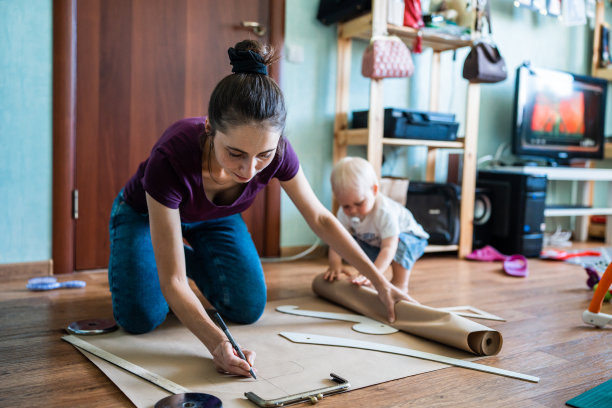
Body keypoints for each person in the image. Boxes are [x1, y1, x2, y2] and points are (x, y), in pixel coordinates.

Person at [108, 40, 411, 379]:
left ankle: (173, 252)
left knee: (247, 307)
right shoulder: (172, 154)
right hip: (144, 215)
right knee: (142, 319)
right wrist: (217, 343)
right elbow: (174, 280)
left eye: (263, 156)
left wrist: (378, 279)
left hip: (213, 217)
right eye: (235, 153)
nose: (249, 170)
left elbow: (321, 218)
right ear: (210, 128)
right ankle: (157, 250)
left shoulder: (279, 152)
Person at [323, 157, 429, 303]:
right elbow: (337, 240)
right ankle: (366, 277)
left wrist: (375, 275)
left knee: (400, 244)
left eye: (359, 203)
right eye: (346, 206)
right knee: (352, 243)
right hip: (376, 241)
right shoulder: (343, 212)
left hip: (410, 239)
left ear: (374, 190)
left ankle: (400, 284)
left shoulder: (384, 212)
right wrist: (335, 265)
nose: (353, 210)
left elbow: (389, 248)